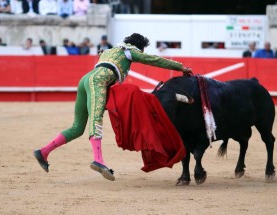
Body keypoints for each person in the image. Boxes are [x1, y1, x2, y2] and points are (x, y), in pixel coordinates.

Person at [33, 33, 193, 181]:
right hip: (98, 81)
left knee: (77, 127)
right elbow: (155, 60)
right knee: (96, 120)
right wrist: (181, 67)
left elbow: (104, 58)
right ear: (139, 47)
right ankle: (98, 160)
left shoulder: (110, 50)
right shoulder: (130, 51)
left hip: (85, 80)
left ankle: (44, 152)